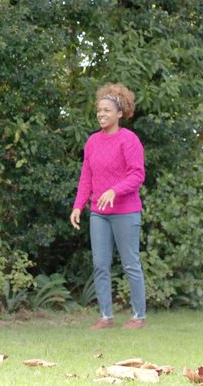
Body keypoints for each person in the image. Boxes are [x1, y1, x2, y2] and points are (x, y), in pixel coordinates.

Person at [69, 83, 147, 329]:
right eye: (99, 110)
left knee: (130, 264)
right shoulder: (92, 142)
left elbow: (137, 175)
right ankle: (106, 316)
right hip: (99, 215)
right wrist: (78, 206)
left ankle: (138, 317)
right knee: (100, 265)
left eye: (106, 110)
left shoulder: (129, 140)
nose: (101, 114)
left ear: (119, 113)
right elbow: (86, 177)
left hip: (126, 212)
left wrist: (115, 190)